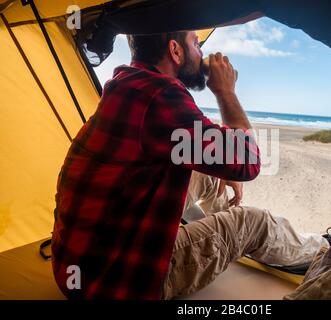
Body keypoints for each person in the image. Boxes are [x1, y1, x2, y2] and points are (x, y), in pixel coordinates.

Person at [51, 31, 260, 299]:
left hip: (73, 268)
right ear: (175, 50)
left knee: (207, 176)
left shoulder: (128, 82)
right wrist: (226, 91)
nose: (202, 53)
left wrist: (221, 163)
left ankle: (210, 229)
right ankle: (315, 253)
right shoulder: (162, 93)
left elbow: (190, 135)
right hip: (111, 282)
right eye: (196, 44)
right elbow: (248, 160)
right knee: (255, 222)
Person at [162, 172, 329, 299]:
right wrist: (224, 163)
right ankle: (325, 248)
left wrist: (216, 168)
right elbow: (248, 166)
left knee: (206, 173)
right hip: (148, 261)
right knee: (255, 221)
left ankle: (231, 234)